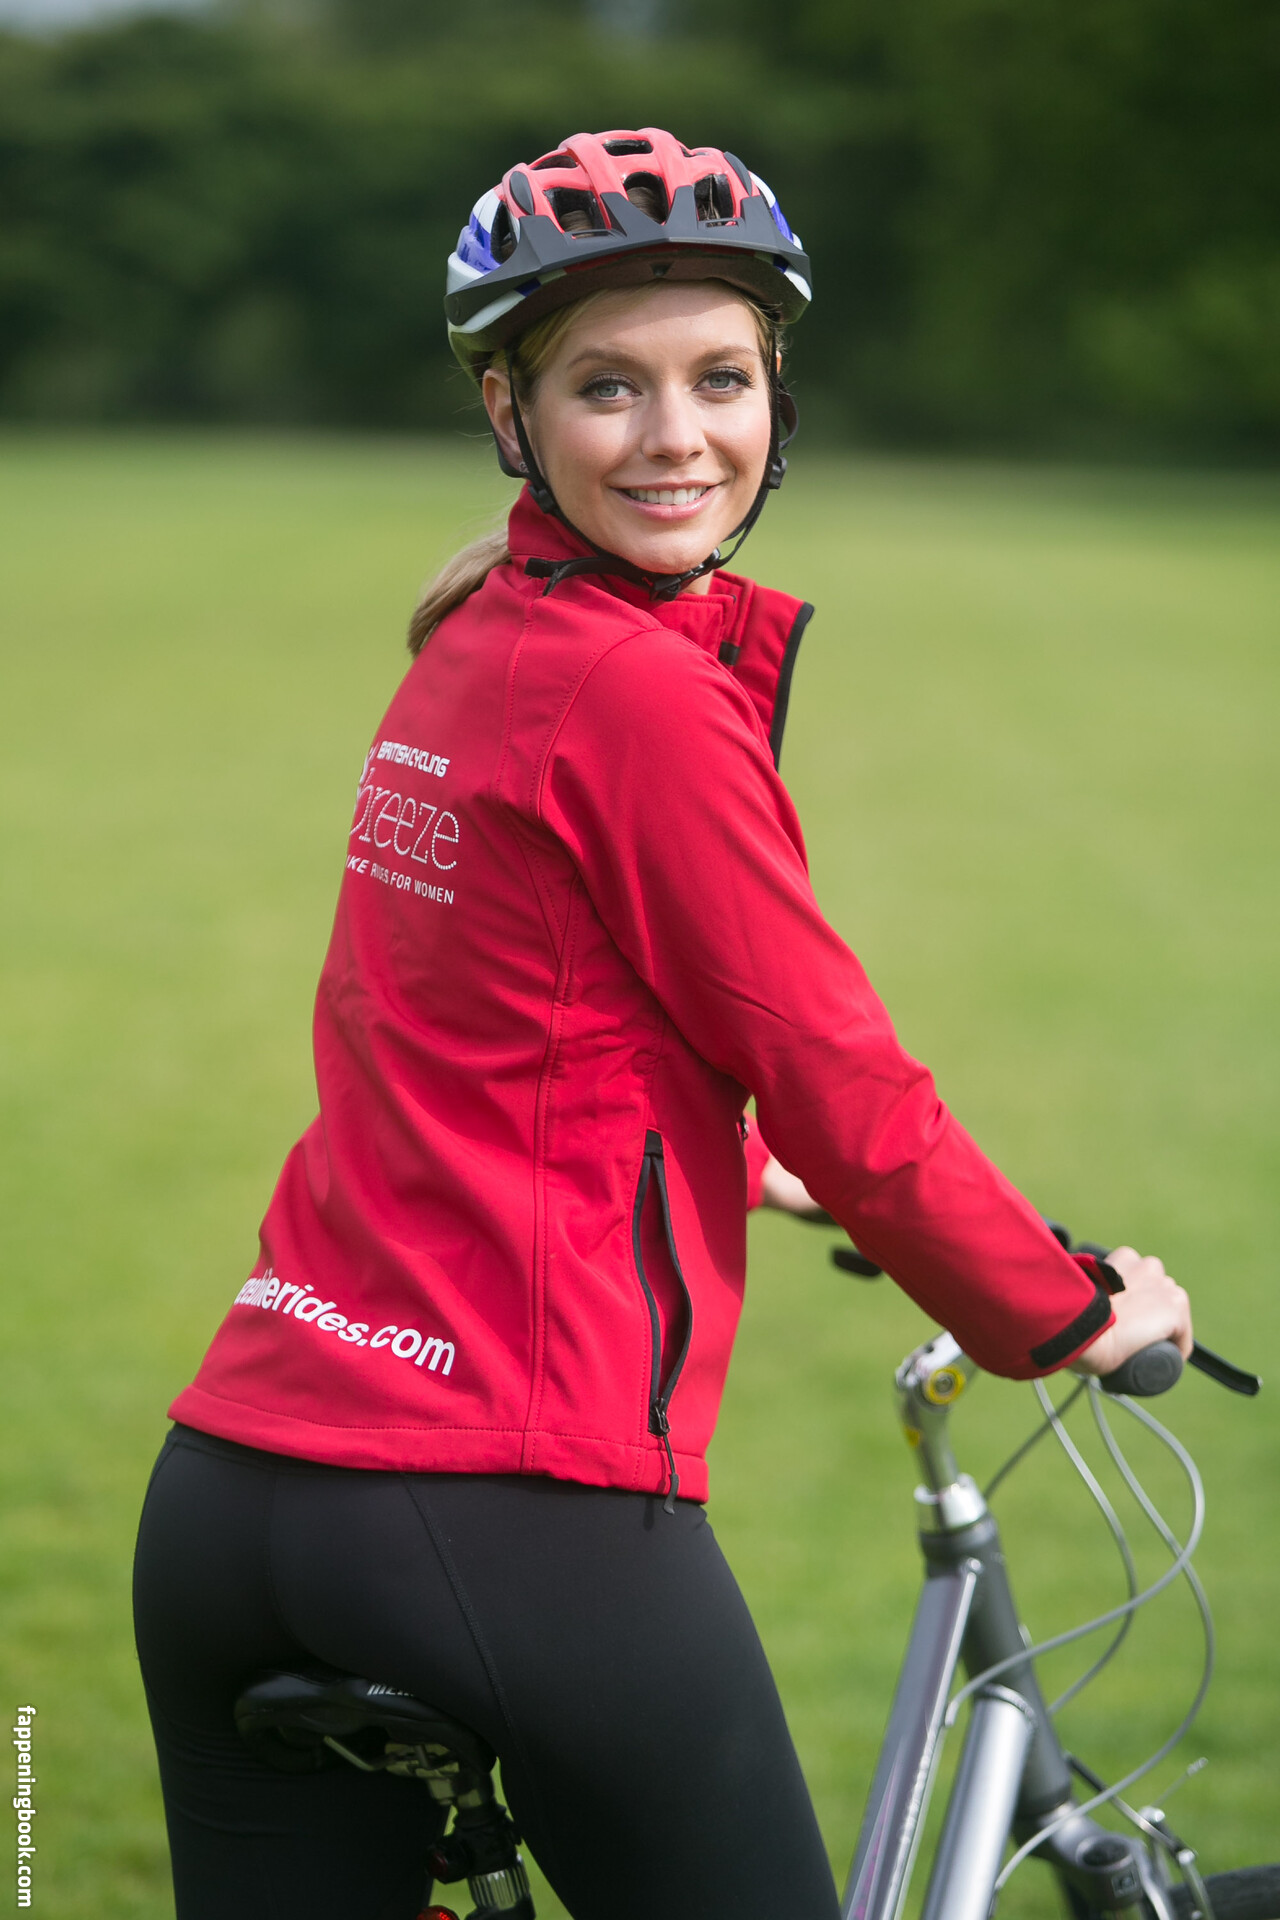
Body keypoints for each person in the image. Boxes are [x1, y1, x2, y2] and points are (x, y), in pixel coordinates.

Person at [132, 129, 1192, 1920]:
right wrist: (1068, 1309)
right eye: (608, 386)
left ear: (780, 400)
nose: (676, 435)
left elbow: (472, 1016)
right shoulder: (639, 692)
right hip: (507, 1496)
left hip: (236, 1495)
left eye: (722, 379)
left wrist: (739, 1164)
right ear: (512, 411)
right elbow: (838, 1072)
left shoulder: (475, 641)